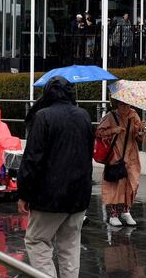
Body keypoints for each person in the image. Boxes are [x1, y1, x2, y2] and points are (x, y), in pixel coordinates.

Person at [18, 76, 94, 278]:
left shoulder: (43, 117)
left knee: (37, 240)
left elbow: (32, 160)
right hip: (79, 196)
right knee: (70, 245)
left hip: (49, 197)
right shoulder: (84, 116)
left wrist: (24, 193)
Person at [95, 99, 146, 227]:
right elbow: (98, 132)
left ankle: (126, 210)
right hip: (115, 154)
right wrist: (113, 130)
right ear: (117, 104)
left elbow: (139, 137)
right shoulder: (110, 116)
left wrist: (141, 131)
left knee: (132, 182)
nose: (125, 107)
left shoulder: (133, 115)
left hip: (131, 154)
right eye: (123, 104)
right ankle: (113, 214)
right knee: (115, 183)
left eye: (128, 104)